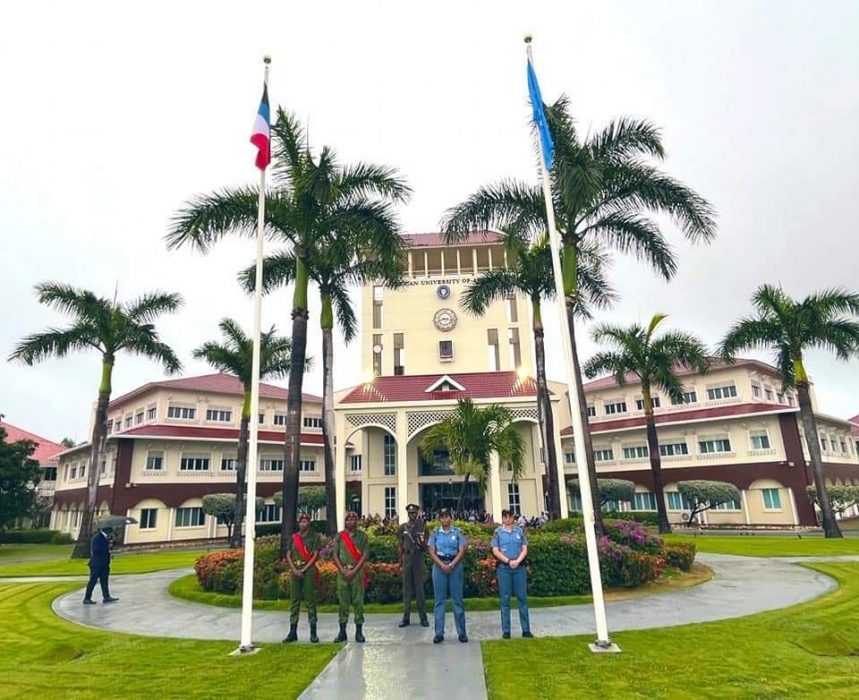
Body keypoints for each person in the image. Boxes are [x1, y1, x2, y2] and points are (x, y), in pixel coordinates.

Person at [491, 509, 534, 639]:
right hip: (504, 568)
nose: (507, 519)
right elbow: (495, 550)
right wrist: (508, 561)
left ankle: (526, 630)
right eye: (505, 517)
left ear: (513, 518)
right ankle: (506, 631)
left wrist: (517, 561)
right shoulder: (498, 533)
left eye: (509, 516)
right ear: (502, 519)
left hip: (519, 568)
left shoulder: (519, 532)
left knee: (522, 599)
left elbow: (524, 549)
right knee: (505, 599)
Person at [428, 507, 467, 643]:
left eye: (447, 516)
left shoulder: (458, 533)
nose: (445, 519)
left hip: (455, 566)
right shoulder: (435, 533)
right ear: (439, 519)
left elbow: (462, 550)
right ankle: (439, 633)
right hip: (439, 566)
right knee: (439, 601)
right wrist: (442, 565)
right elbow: (432, 551)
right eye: (442, 516)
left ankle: (461, 632)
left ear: (451, 518)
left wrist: (451, 565)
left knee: (457, 600)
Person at [284, 512, 322, 643]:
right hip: (295, 571)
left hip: (309, 571)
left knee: (310, 601)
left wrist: (304, 569)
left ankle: (313, 632)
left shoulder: (314, 537)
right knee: (294, 601)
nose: (302, 524)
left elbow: (316, 555)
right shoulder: (294, 537)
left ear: (309, 523)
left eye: (305, 521)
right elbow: (288, 554)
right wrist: (294, 569)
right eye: (300, 522)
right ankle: (292, 632)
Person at [334, 510, 370, 643]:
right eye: (348, 519)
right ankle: (342, 632)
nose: (350, 521)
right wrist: (343, 570)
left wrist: (354, 571)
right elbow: (335, 555)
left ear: (357, 521)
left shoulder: (362, 536)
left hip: (357, 573)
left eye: (353, 519)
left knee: (358, 602)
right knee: (343, 603)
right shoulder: (339, 536)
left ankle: (359, 632)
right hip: (342, 573)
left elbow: (365, 554)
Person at [397, 503, 429, 627]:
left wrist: (422, 543)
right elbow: (400, 545)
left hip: (417, 557)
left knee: (419, 589)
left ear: (417, 513)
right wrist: (400, 562)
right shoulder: (403, 528)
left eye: (414, 512)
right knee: (407, 590)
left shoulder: (422, 527)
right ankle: (406, 618)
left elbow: (426, 545)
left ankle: (423, 618)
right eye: (410, 513)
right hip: (407, 557)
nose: (412, 515)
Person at [83, 526, 118, 605]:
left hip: (104, 564)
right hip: (96, 564)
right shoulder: (97, 538)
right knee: (93, 581)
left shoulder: (106, 538)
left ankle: (106, 597)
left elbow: (108, 549)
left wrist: (111, 545)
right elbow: (96, 550)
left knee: (104, 581)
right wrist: (107, 548)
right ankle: (87, 598)